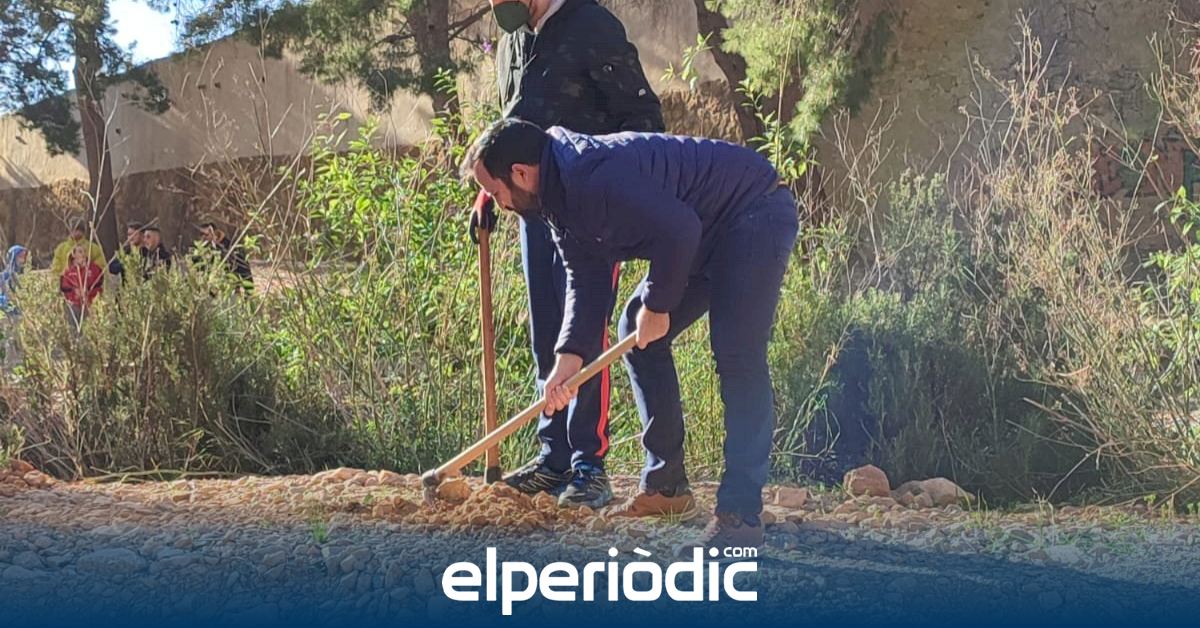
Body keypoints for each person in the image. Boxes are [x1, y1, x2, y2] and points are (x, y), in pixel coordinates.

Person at [461, 119, 799, 552]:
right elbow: (585, 278)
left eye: (495, 192)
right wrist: (568, 358)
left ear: (521, 173)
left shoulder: (588, 176)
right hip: (703, 230)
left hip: (753, 211)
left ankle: (740, 516)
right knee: (635, 334)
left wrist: (658, 305)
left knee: (737, 355)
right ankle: (667, 488)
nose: (499, 204)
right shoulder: (556, 196)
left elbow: (679, 229)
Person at [473, 0, 666, 509]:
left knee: (585, 330)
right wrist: (491, 186)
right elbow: (512, 126)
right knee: (548, 334)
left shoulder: (593, 26)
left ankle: (588, 465)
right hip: (534, 213)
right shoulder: (513, 41)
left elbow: (644, 118)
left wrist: (615, 190)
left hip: (590, 207)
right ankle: (553, 457)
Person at [191, 221, 253, 292]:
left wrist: (248, 292)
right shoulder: (204, 248)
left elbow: (244, 270)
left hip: (230, 285)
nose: (203, 237)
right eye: (201, 234)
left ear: (215, 232)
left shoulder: (231, 246)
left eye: (206, 234)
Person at [60, 244, 104, 328]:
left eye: (84, 251)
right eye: (80, 252)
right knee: (75, 328)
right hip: (75, 306)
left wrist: (90, 293)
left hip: (91, 304)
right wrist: (75, 293)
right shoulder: (68, 272)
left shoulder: (94, 268)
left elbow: (99, 284)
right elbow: (65, 289)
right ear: (74, 255)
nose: (83, 254)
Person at [0, 245, 28, 316]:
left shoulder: (21, 275)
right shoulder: (5, 275)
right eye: (20, 256)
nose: (23, 260)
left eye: (24, 257)